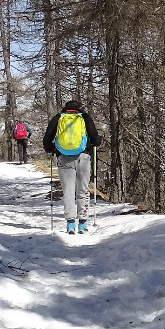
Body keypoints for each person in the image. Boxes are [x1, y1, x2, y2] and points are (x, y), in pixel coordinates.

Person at [43, 99, 101, 234]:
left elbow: (46, 141)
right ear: (78, 109)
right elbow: (95, 139)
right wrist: (97, 141)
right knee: (83, 191)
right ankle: (82, 223)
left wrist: (54, 149)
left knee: (68, 192)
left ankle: (70, 224)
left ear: (65, 108)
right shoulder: (84, 118)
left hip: (64, 159)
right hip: (84, 157)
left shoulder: (58, 118)